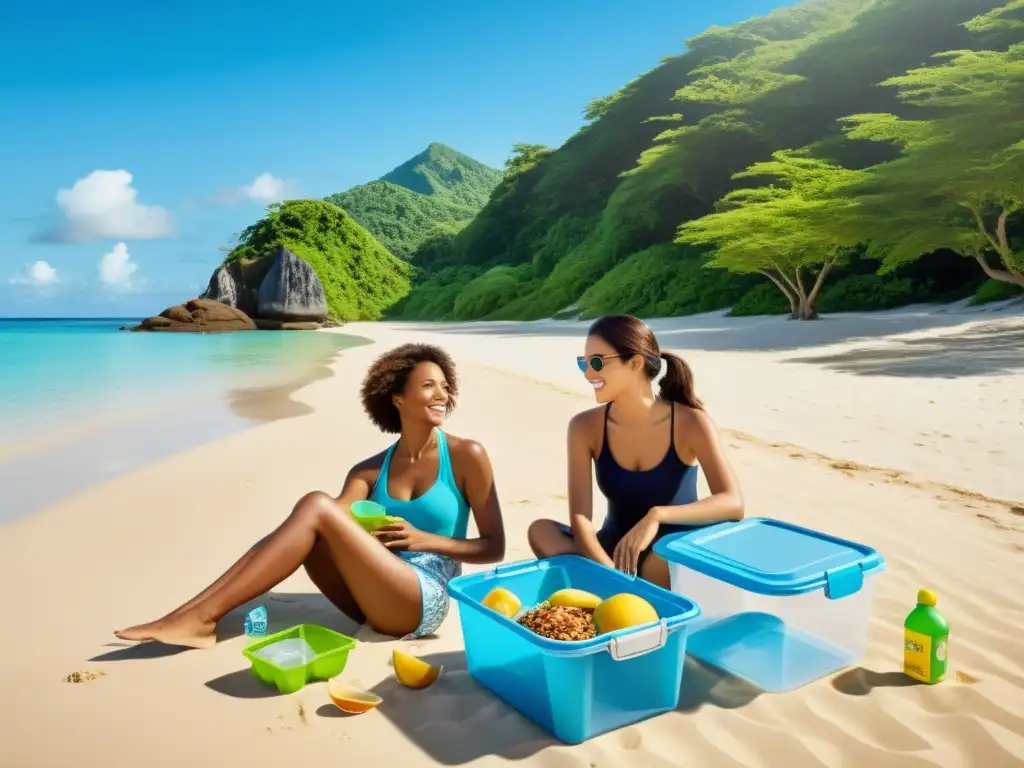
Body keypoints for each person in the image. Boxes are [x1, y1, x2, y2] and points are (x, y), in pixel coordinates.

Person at [115, 343, 506, 648]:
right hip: (371, 600)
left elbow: (494, 548)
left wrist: (426, 541)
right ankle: (192, 614)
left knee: (315, 505)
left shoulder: (466, 456)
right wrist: (357, 532)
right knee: (311, 522)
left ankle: (197, 618)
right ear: (397, 397)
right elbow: (319, 523)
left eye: (444, 384)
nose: (442, 393)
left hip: (423, 600)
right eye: (428, 385)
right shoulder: (369, 471)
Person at [527, 314, 743, 589]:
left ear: (635, 363)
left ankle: (608, 587)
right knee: (542, 531)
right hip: (614, 550)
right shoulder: (584, 427)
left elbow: (733, 503)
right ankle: (615, 585)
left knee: (658, 564)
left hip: (673, 551)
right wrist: (611, 573)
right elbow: (580, 519)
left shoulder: (691, 422)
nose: (588, 373)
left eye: (596, 362)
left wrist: (657, 515)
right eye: (583, 363)